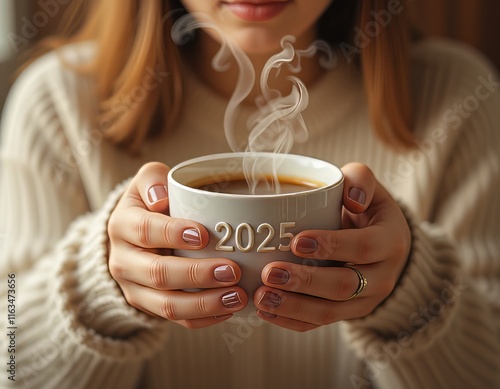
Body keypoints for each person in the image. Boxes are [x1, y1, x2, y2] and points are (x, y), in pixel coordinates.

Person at [1, 0, 499, 388]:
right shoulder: (58, 102)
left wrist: (409, 287)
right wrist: (98, 285)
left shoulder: (456, 97)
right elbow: (10, 356)